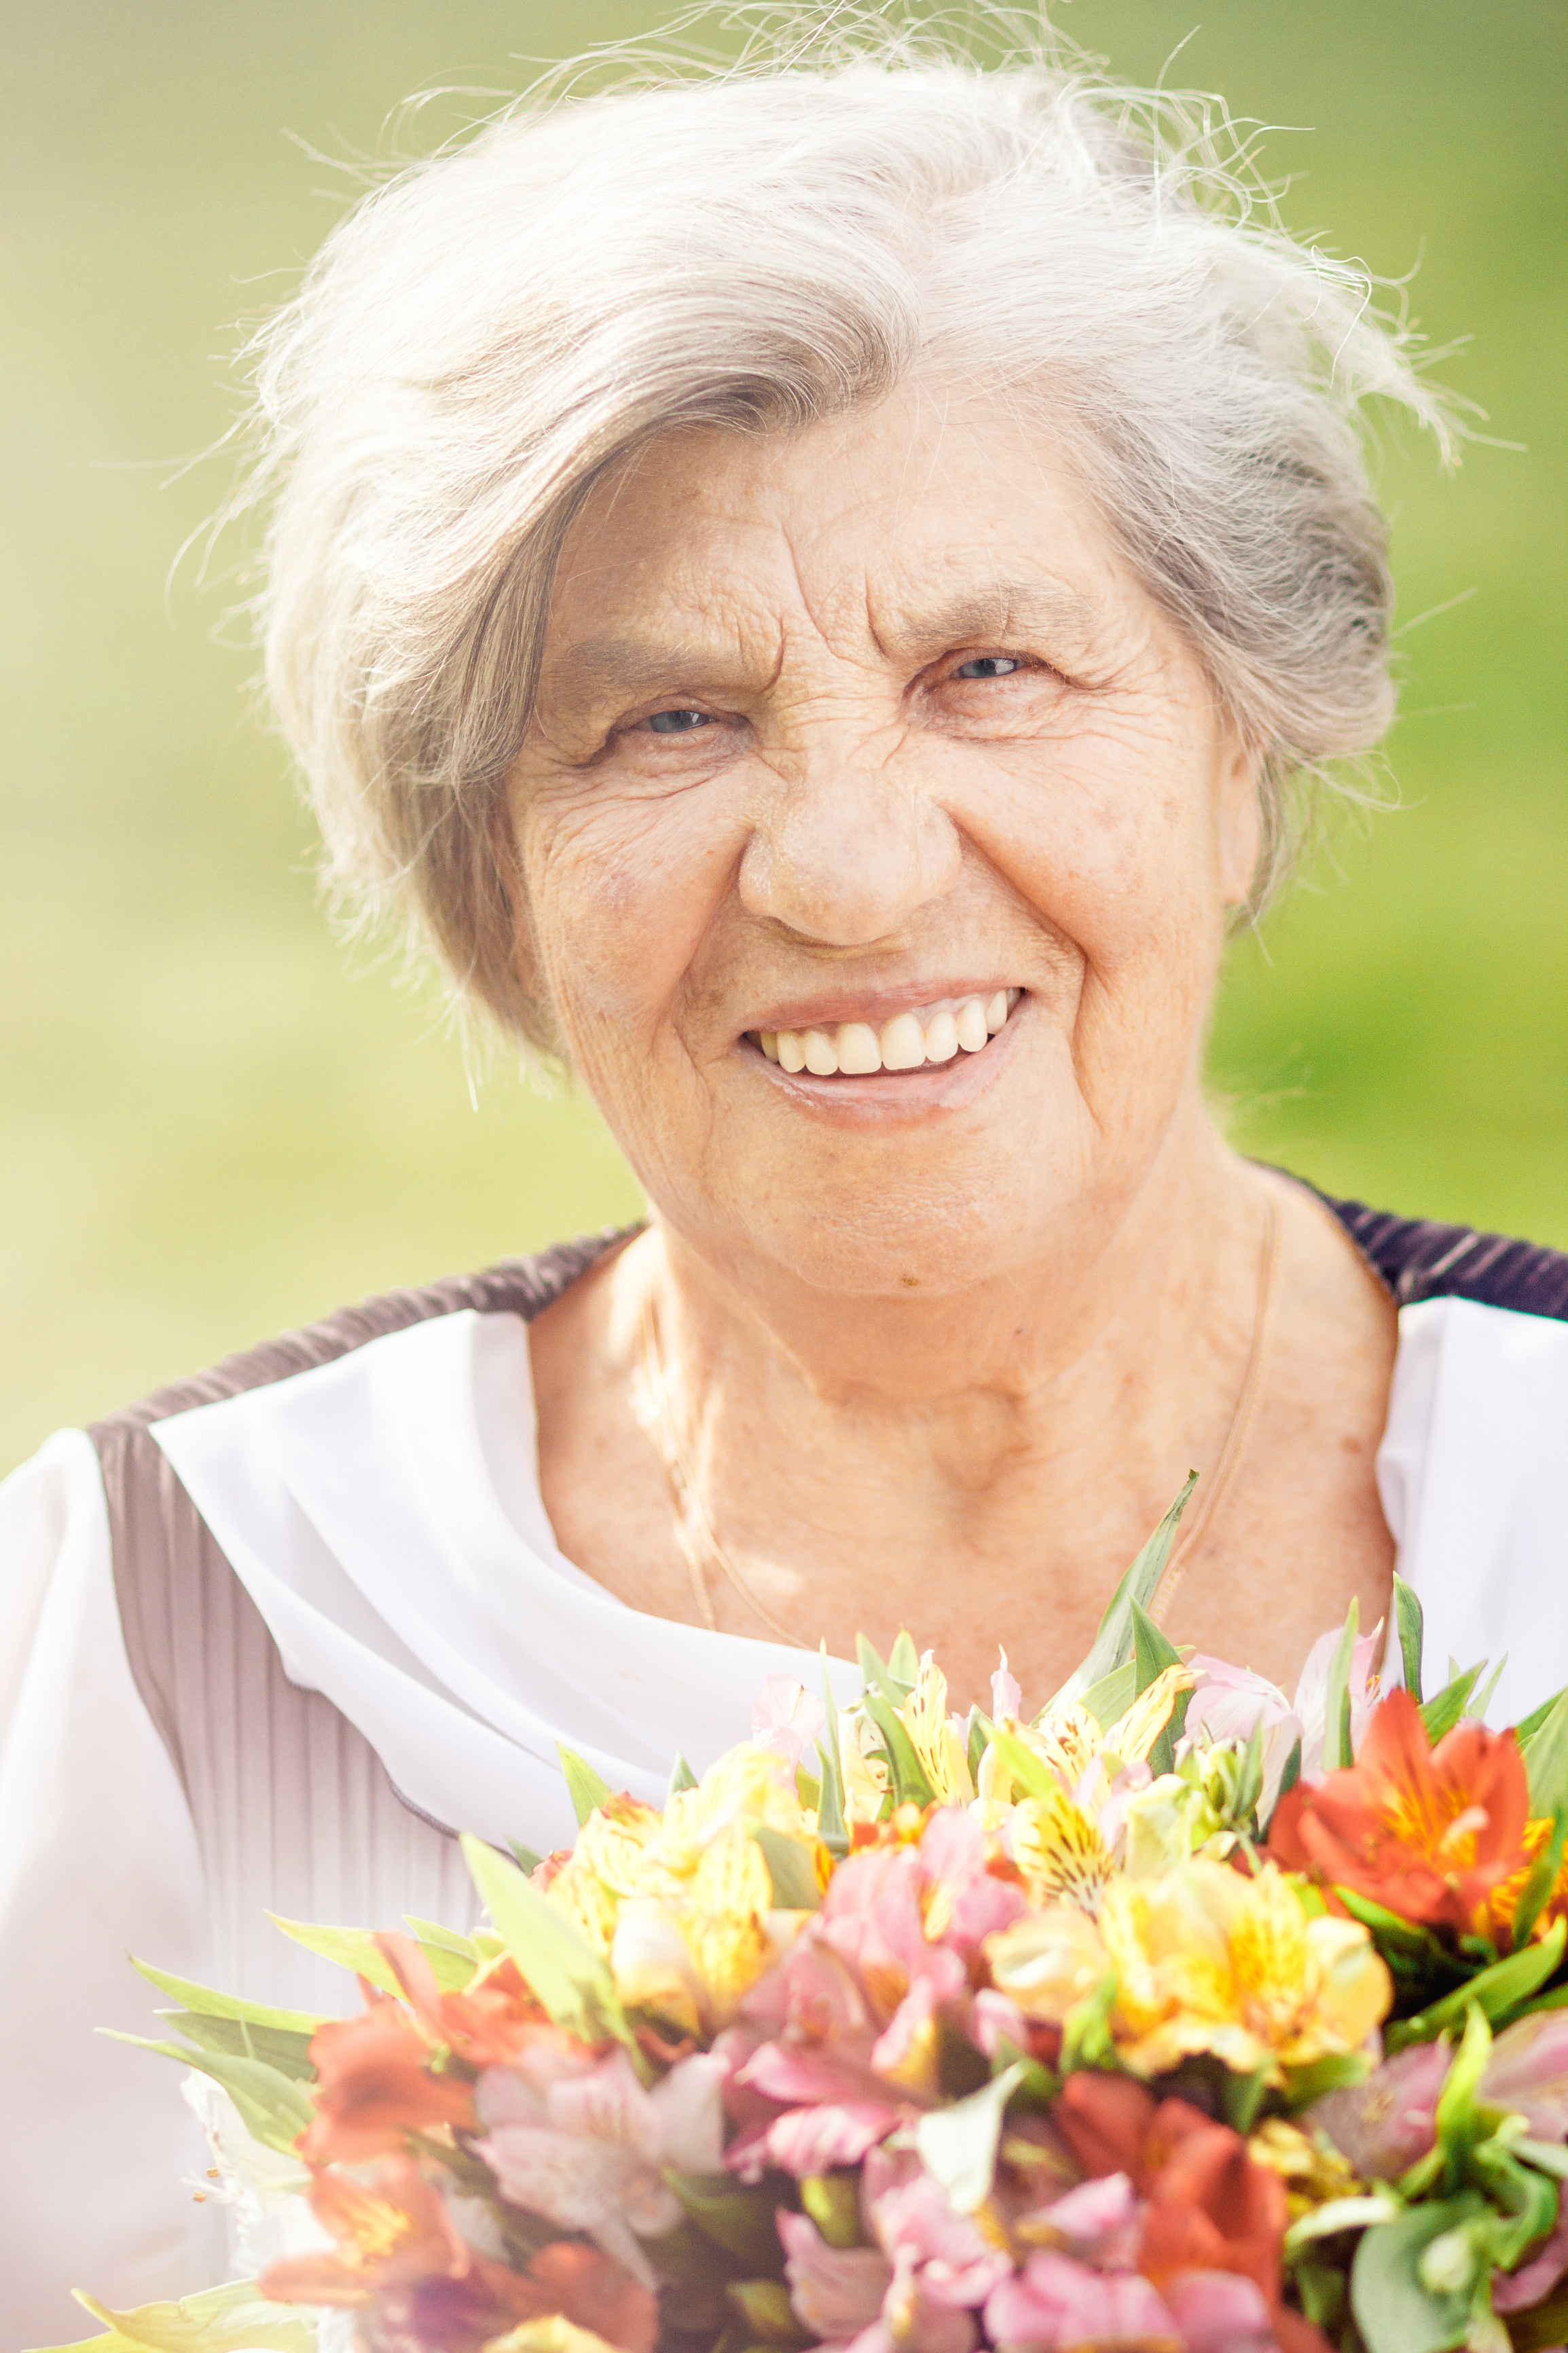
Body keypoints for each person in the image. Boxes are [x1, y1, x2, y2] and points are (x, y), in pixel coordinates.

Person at [3, 15, 1565, 2338]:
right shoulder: (168, 1635)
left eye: (991, 667)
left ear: (1241, 751)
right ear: (493, 886)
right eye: (668, 719)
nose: (843, 869)